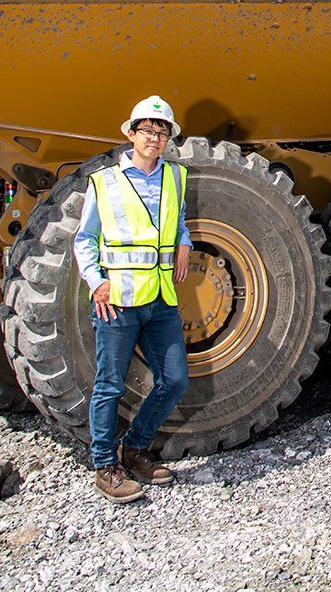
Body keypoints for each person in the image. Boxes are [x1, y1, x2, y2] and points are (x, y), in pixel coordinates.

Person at [72, 94, 192, 503]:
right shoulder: (105, 181)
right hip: (118, 300)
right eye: (147, 130)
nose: (155, 138)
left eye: (162, 132)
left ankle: (135, 448)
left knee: (174, 379)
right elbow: (85, 238)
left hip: (160, 298)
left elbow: (176, 223)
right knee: (109, 385)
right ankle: (105, 465)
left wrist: (186, 244)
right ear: (131, 133)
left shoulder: (175, 176)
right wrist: (95, 281)